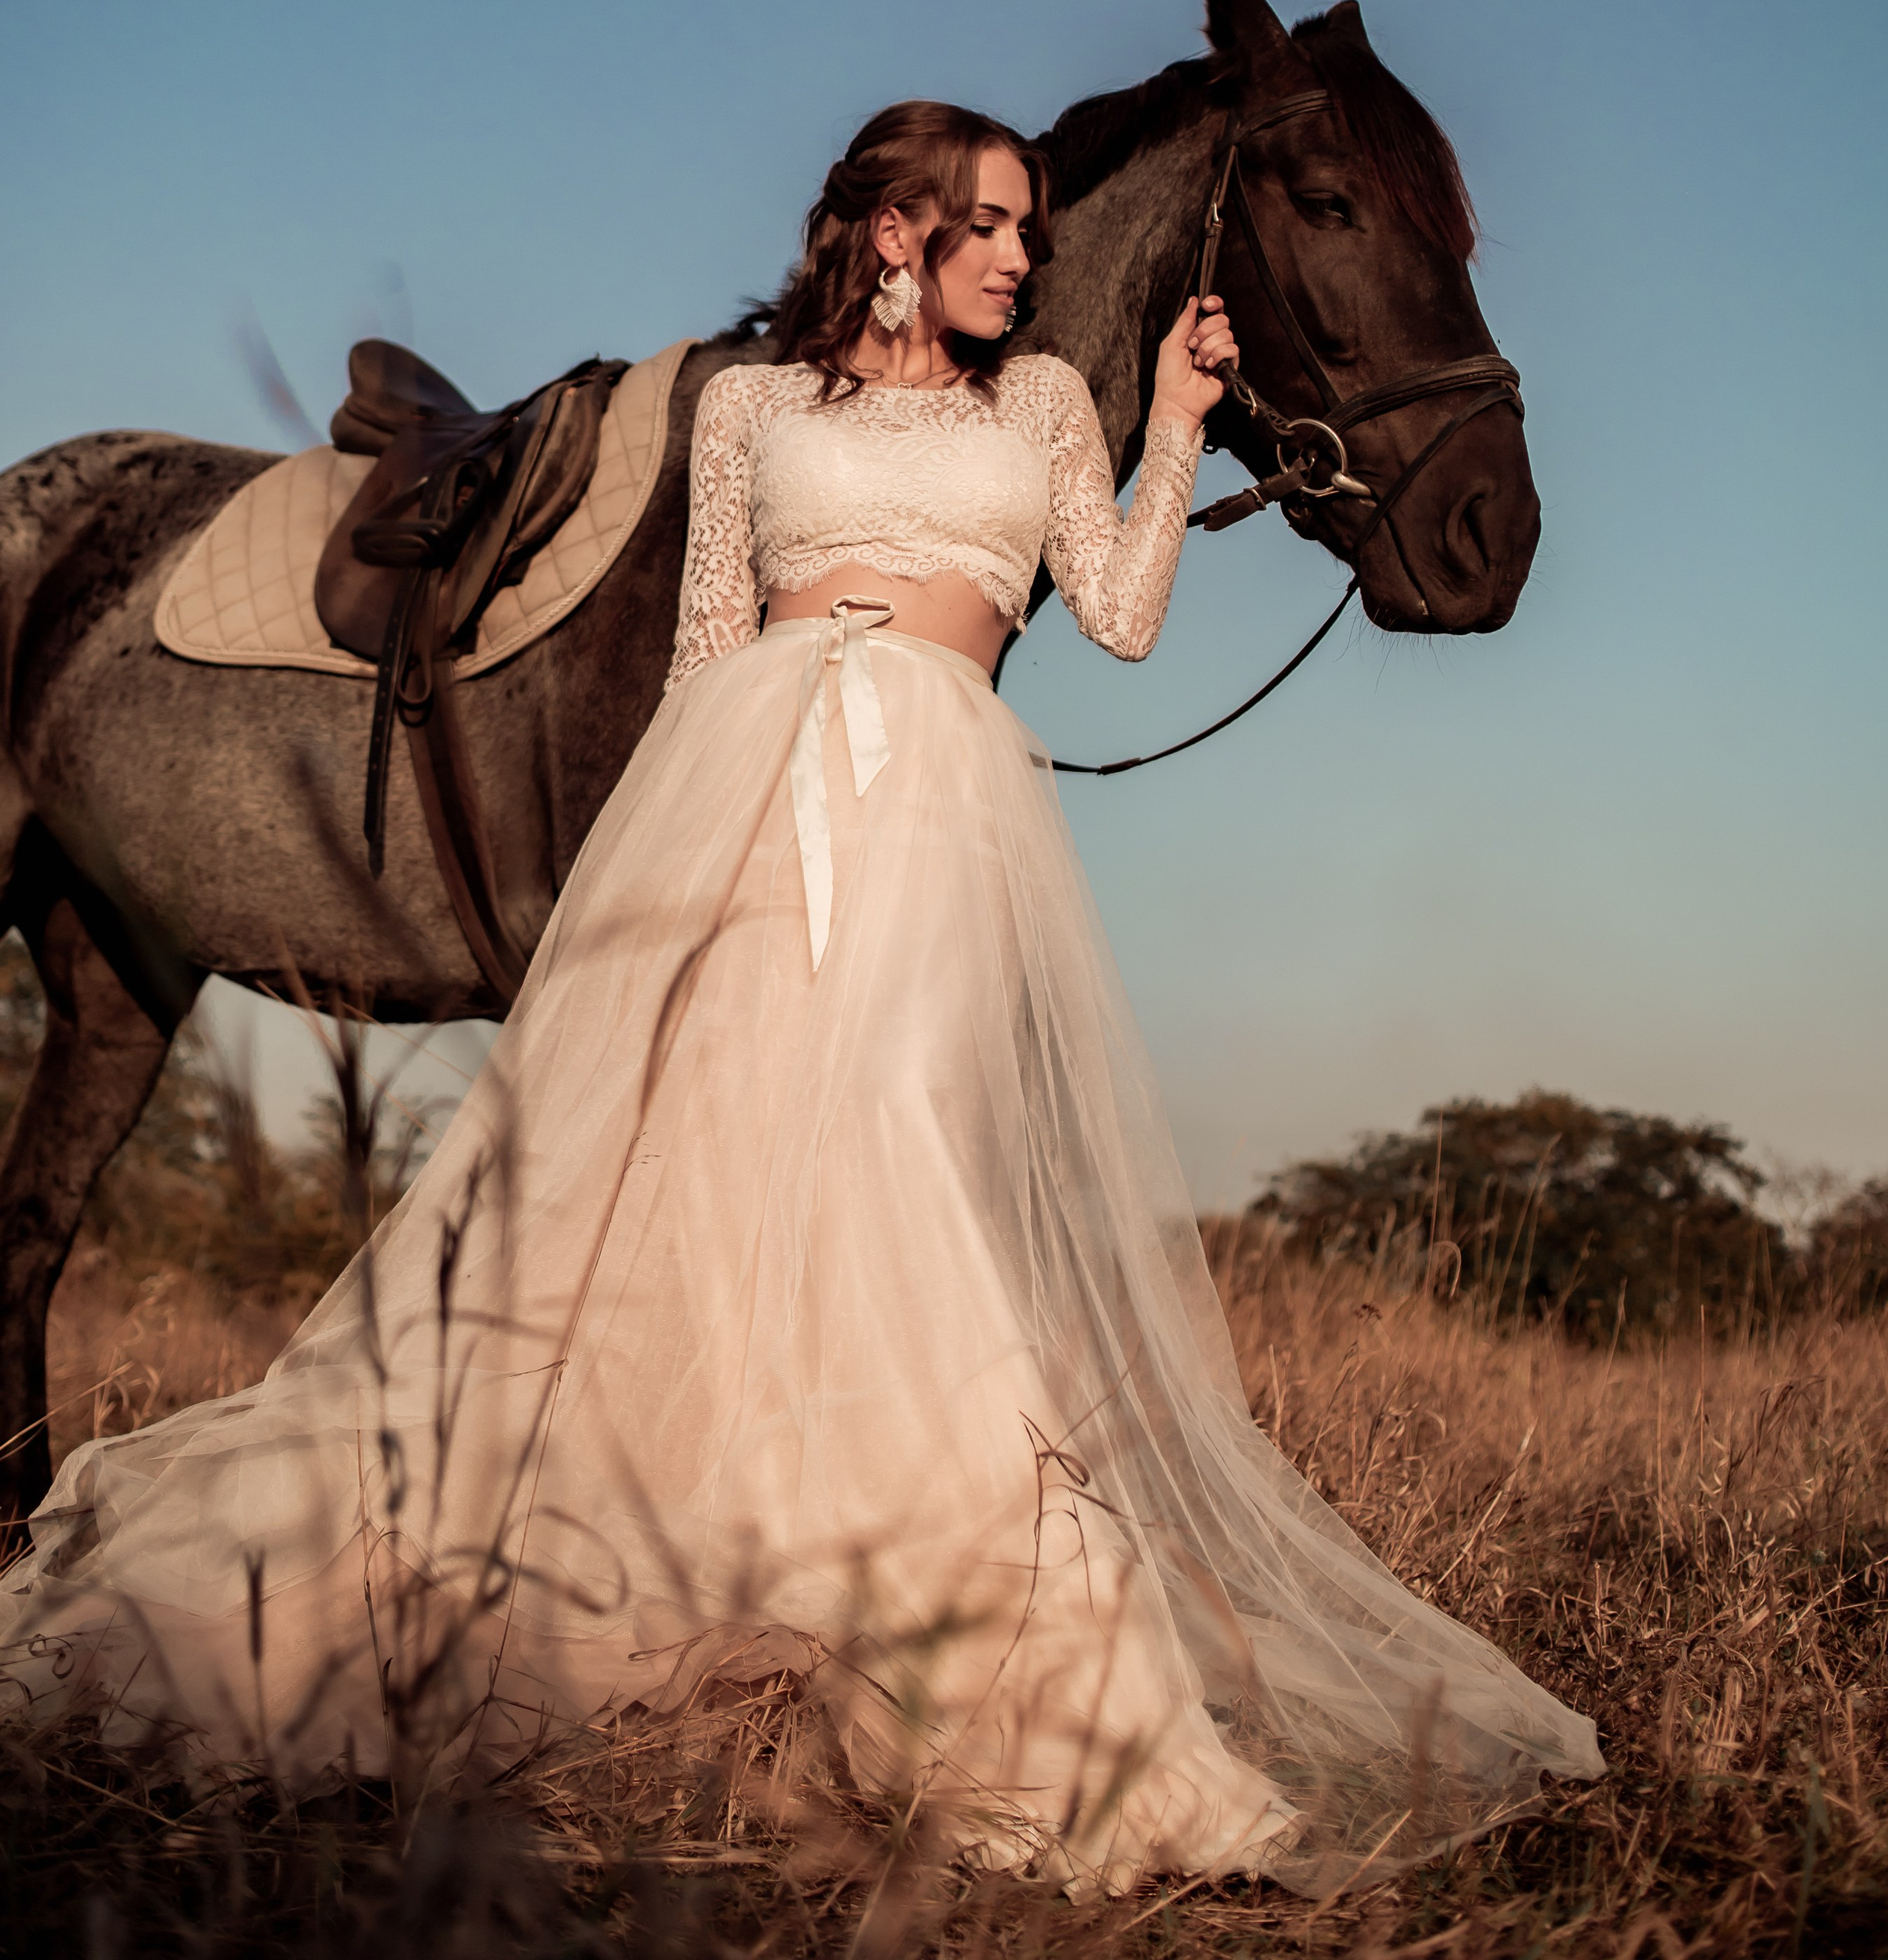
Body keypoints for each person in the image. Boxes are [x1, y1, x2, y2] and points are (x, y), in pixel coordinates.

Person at [0, 102, 1600, 1896]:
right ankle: (682, 1565)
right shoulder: (753, 412)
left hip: (939, 815)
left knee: (903, 1160)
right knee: (704, 1184)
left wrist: (1168, 427)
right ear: (893, 233)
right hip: (754, 798)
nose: (1024, 257)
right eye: (992, 224)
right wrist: (665, 901)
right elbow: (703, 659)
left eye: (1030, 226)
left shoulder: (1043, 406)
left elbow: (1122, 615)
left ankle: (969, 1622)